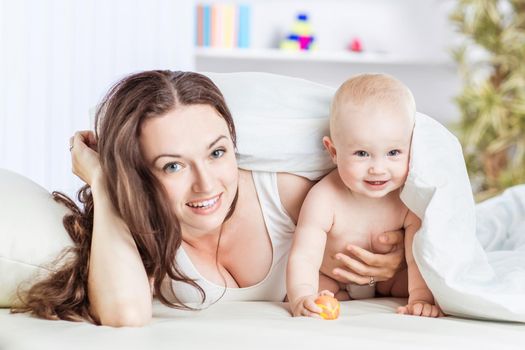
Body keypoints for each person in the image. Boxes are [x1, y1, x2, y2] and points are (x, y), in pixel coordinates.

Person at [13, 70, 405, 326]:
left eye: (217, 153)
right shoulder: (142, 235)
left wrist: (384, 264)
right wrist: (103, 179)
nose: (206, 185)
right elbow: (126, 314)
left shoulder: (286, 196)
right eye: (172, 166)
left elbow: (378, 236)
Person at [287, 74, 443, 318]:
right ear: (333, 152)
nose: (378, 168)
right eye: (362, 153)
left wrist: (421, 297)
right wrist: (301, 295)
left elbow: (416, 259)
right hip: (333, 277)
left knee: (428, 285)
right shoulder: (324, 199)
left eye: (393, 152)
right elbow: (304, 256)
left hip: (388, 281)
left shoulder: (407, 199)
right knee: (316, 293)